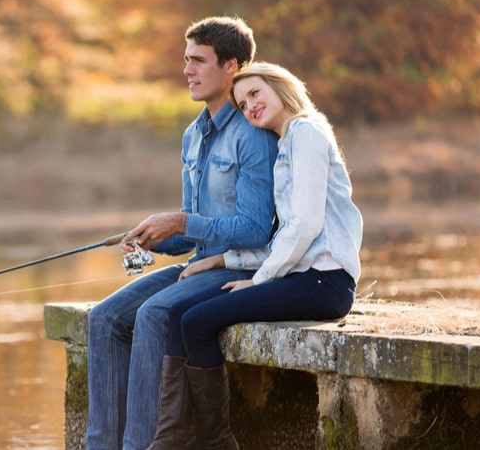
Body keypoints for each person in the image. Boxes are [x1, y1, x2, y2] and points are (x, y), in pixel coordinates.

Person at [147, 61, 363, 449]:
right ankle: (173, 440)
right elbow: (283, 235)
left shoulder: (307, 133)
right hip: (303, 278)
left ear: (281, 86)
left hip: (324, 283)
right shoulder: (286, 143)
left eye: (255, 94)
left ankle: (215, 442)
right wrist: (221, 260)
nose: (249, 107)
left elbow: (307, 225)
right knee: (181, 315)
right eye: (243, 103)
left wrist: (258, 280)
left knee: (196, 321)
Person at [86, 16, 279, 450]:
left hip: (239, 267)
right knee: (104, 319)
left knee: (155, 315)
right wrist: (154, 237)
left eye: (198, 61)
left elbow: (254, 228)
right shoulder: (193, 135)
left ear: (232, 66)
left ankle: (141, 445)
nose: (186, 70)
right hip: (199, 264)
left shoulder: (253, 134)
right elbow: (191, 234)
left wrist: (181, 222)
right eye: (185, 59)